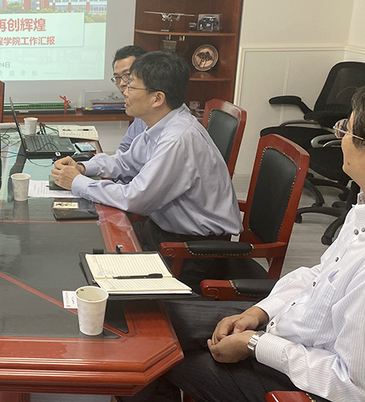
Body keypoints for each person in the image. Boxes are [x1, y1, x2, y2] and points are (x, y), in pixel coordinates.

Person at [125, 76, 365, 402]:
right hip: (282, 327)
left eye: (347, 131)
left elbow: (355, 385)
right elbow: (318, 277)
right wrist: (259, 313)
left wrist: (255, 344)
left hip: (299, 380)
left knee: (150, 354)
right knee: (143, 318)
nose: (340, 138)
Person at [51, 51, 241, 289]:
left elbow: (136, 198)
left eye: (131, 86)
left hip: (193, 250)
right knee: (89, 242)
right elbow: (126, 162)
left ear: (157, 98)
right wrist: (82, 167)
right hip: (164, 229)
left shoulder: (177, 139)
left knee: (99, 274)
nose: (125, 92)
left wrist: (77, 182)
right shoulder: (163, 124)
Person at [109, 45, 149, 153]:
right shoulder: (140, 112)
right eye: (117, 78)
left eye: (127, 75)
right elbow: (124, 151)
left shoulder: (175, 134)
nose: (122, 83)